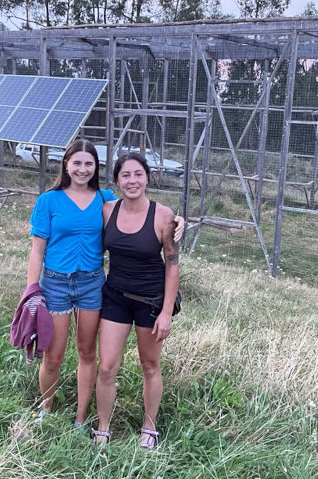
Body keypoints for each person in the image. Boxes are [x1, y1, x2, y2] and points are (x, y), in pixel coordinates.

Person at [26, 140, 183, 429]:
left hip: (92, 284)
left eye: (88, 164)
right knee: (53, 354)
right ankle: (45, 409)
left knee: (87, 353)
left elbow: (143, 209)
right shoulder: (49, 200)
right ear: (66, 165)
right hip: (57, 284)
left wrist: (178, 220)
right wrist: (31, 290)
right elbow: (37, 249)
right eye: (77, 163)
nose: (82, 169)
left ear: (95, 168)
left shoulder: (103, 200)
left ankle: (81, 418)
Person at [93, 151, 180, 449]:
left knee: (150, 365)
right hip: (115, 297)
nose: (132, 181)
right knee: (106, 367)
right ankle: (102, 427)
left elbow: (172, 264)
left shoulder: (163, 215)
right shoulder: (107, 210)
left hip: (151, 302)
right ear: (117, 180)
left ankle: (149, 428)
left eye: (138, 174)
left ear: (147, 177)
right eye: (125, 175)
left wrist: (166, 312)